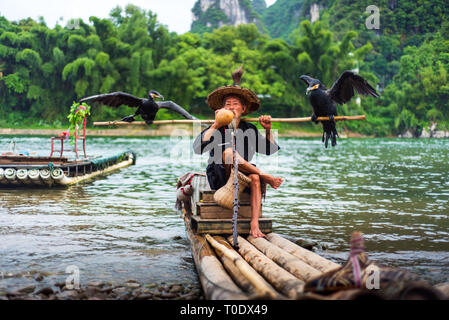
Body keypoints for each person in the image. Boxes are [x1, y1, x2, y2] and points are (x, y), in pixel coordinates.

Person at [193, 69, 283, 238]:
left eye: (235, 104)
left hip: (243, 176)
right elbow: (198, 148)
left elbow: (269, 151)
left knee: (255, 178)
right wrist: (215, 124)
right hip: (220, 176)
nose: (231, 107)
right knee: (228, 153)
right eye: (227, 105)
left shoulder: (249, 128)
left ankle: (254, 224)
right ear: (221, 110)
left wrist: (269, 130)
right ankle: (266, 176)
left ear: (243, 108)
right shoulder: (217, 127)